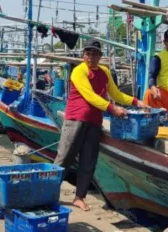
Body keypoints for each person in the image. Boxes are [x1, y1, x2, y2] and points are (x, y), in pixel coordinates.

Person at [54, 39, 148, 211]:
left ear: (100, 56)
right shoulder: (78, 71)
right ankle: (50, 193)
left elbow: (116, 94)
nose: (91, 57)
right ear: (83, 55)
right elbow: (90, 96)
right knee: (64, 157)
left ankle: (79, 197)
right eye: (88, 53)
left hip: (94, 122)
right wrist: (112, 108)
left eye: (95, 53)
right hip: (76, 119)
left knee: (88, 161)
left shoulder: (104, 72)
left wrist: (136, 101)